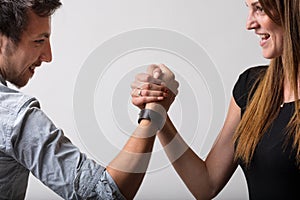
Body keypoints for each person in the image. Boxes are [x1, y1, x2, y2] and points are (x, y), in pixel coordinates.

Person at [0, 1, 178, 199]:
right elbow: (101, 195)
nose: (48, 56)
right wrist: (152, 113)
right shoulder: (13, 116)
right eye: (39, 41)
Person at [131, 0, 300, 199]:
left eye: (259, 9)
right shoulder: (251, 88)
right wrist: (159, 113)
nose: (249, 24)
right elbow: (206, 184)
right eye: (249, 9)